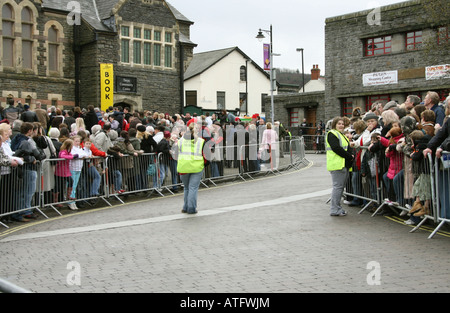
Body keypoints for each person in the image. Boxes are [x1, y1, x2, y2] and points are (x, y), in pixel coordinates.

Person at [326, 117, 354, 216]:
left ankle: (337, 208)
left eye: (342, 124)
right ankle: (334, 209)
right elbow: (336, 148)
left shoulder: (341, 135)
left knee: (340, 187)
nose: (341, 125)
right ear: (334, 125)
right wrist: (349, 156)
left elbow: (347, 147)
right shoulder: (332, 134)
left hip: (343, 164)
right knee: (338, 187)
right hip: (337, 164)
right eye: (339, 124)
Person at [177, 122, 207, 214]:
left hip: (184, 166)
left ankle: (185, 207)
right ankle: (191, 208)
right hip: (196, 166)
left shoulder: (180, 141)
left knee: (186, 188)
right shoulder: (201, 141)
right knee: (193, 188)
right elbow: (206, 154)